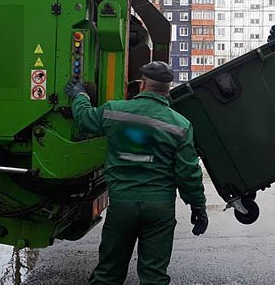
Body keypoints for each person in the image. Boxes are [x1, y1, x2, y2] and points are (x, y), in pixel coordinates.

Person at [65, 61, 208, 284]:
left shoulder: (115, 112)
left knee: (109, 274)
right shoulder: (180, 125)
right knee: (154, 276)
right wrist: (198, 205)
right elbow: (188, 172)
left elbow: (84, 119)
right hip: (159, 209)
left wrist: (79, 95)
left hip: (123, 205)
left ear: (142, 85)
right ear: (167, 89)